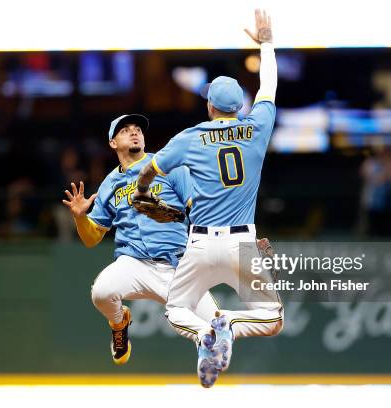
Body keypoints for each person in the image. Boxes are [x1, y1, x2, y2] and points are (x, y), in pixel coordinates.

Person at [134, 10, 282, 388]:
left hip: (199, 243)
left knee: (176, 310)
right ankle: (228, 322)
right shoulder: (257, 126)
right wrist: (266, 42)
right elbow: (269, 87)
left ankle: (206, 335)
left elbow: (150, 169)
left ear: (210, 106)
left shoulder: (191, 136)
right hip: (242, 242)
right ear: (239, 107)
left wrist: (143, 190)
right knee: (272, 319)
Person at [61, 114, 218, 365]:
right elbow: (92, 239)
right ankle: (119, 322)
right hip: (133, 263)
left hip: (175, 265)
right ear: (113, 143)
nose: (134, 133)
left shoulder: (167, 165)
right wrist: (80, 217)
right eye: (125, 130)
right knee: (102, 292)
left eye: (137, 129)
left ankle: (207, 358)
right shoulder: (110, 183)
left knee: (217, 329)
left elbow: (197, 207)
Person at [359, 146, 391, 236]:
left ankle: (390, 232)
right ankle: (372, 232)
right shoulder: (370, 163)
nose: (385, 155)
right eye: (382, 153)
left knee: (390, 218)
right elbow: (367, 177)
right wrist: (383, 176)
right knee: (372, 218)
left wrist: (389, 172)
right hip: (374, 198)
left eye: (387, 153)